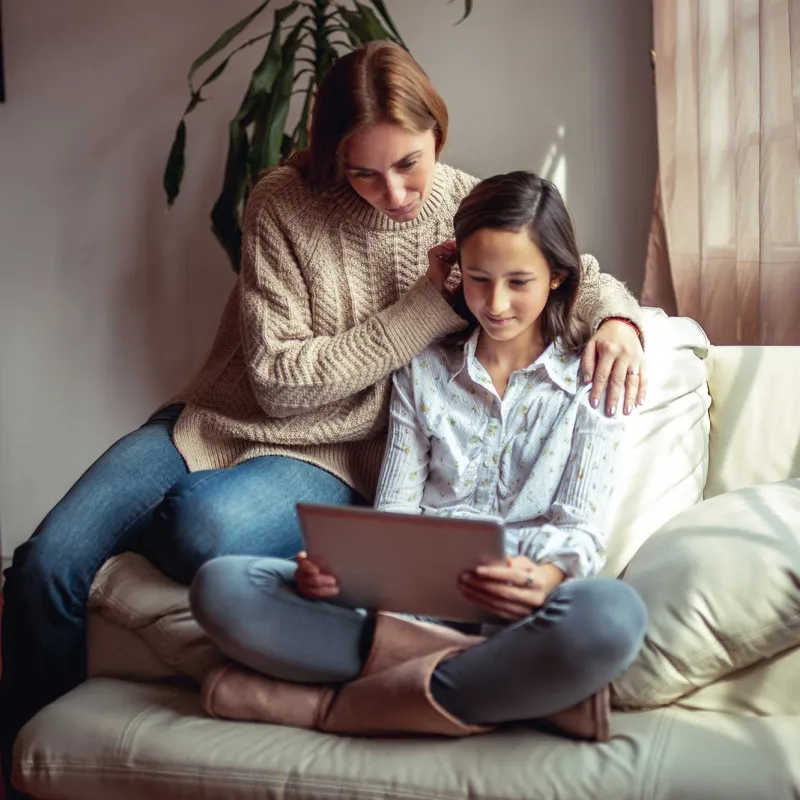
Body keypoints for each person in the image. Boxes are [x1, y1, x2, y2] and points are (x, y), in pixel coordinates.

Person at [0, 41, 647, 790]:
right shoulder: (280, 202)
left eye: (410, 163)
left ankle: (363, 695)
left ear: (437, 134)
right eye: (363, 171)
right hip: (214, 421)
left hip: (333, 455)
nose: (396, 193)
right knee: (46, 562)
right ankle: (23, 773)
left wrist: (619, 325)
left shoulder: (463, 205)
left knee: (197, 527)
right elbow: (276, 384)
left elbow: (573, 271)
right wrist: (421, 310)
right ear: (330, 153)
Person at [189, 170, 647, 740]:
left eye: (518, 282)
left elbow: (581, 528)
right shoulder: (425, 369)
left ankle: (338, 707)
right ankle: (500, 691)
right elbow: (394, 516)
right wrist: (346, 575)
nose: (496, 304)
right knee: (223, 587)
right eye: (478, 279)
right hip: (410, 607)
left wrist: (549, 577)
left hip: (520, 613)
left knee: (612, 617)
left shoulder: (594, 377)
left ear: (557, 276)